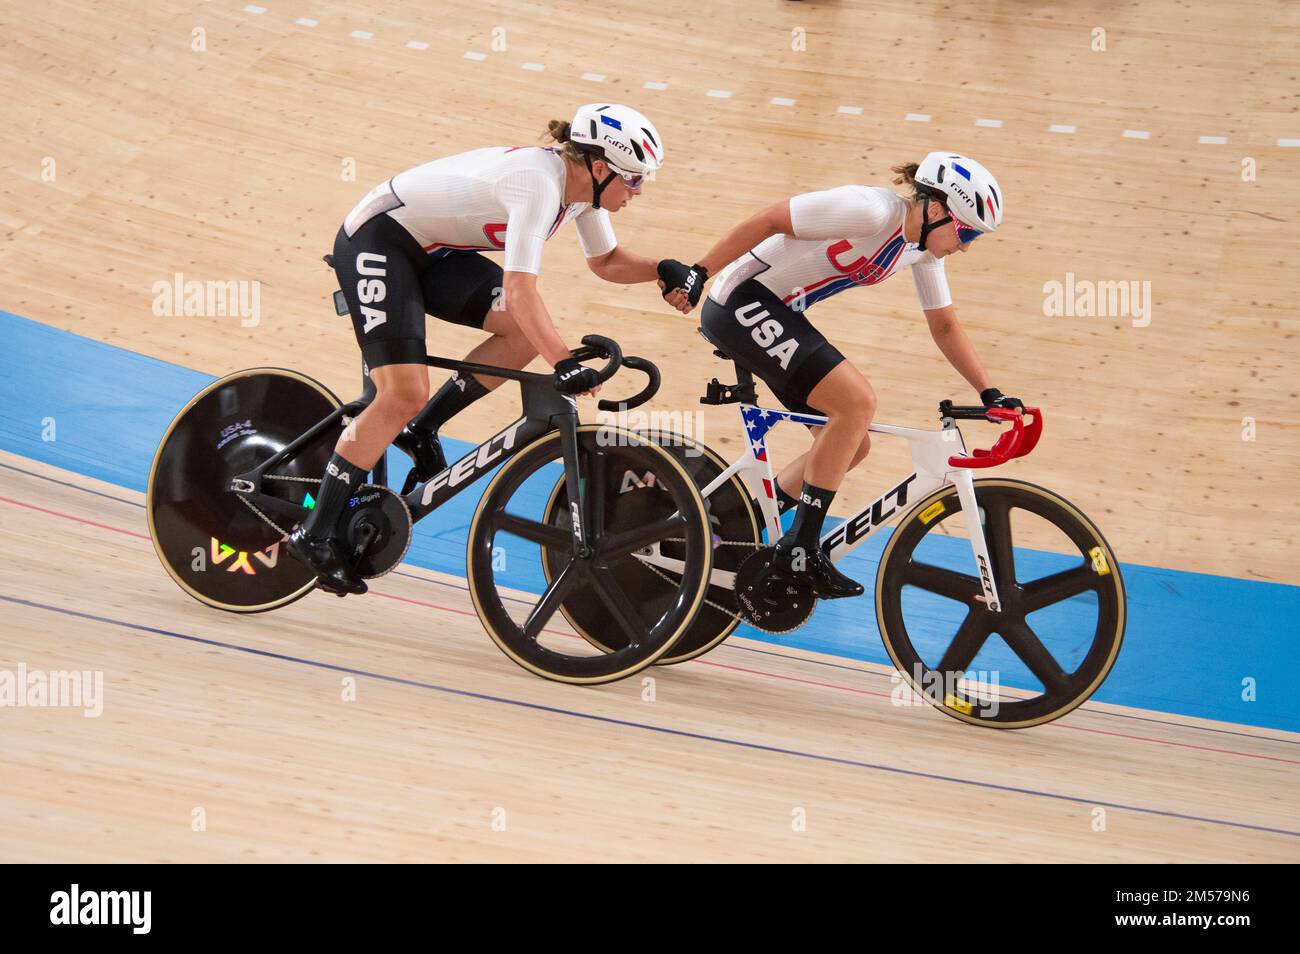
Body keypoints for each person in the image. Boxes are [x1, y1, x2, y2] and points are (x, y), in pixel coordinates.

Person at [290, 103, 674, 595]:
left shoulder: (582, 193)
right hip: (379, 241)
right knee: (402, 391)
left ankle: (421, 428)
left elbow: (607, 261)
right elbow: (519, 287)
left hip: (434, 251)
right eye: (635, 181)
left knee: (520, 331)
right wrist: (561, 361)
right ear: (600, 168)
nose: (637, 193)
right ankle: (315, 531)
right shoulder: (538, 184)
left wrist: (664, 268)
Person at [656, 152, 1024, 598]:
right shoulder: (870, 211)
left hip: (773, 311)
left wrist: (989, 392)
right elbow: (772, 219)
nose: (965, 245)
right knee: (856, 404)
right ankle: (801, 548)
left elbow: (944, 325)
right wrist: (699, 272)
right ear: (935, 209)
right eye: (966, 232)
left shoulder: (920, 251)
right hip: (740, 301)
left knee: (852, 444)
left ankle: (738, 519)